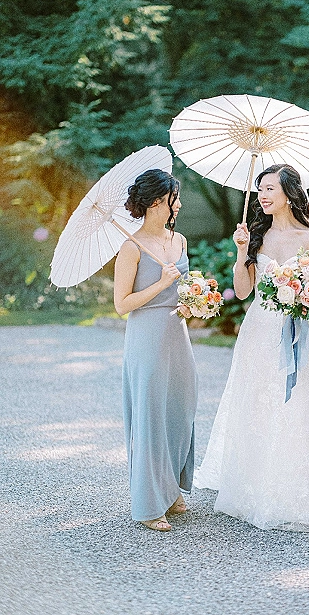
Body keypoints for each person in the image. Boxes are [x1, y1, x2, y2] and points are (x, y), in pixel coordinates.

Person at [193, 164, 309, 531]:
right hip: (260, 331)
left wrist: (302, 301)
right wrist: (240, 251)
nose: (263, 196)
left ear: (289, 194)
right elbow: (244, 291)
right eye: (260, 189)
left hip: (300, 333)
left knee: (301, 403)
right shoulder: (255, 237)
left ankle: (304, 489)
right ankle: (255, 488)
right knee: (257, 402)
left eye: (270, 189)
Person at [114, 169, 197, 532]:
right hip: (146, 335)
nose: (177, 205)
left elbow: (182, 287)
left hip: (177, 332)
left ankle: (172, 486)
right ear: (154, 203)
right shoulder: (130, 247)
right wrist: (161, 283)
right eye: (172, 198)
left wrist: (194, 301)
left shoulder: (178, 239)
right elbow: (122, 304)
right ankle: (150, 504)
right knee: (150, 415)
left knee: (180, 408)